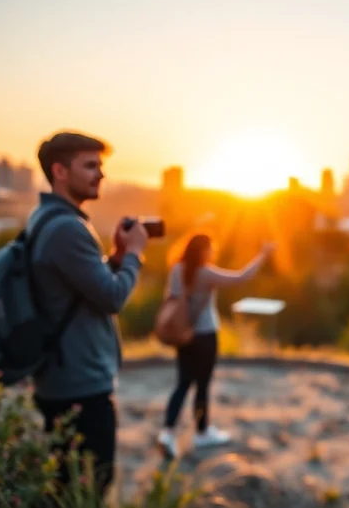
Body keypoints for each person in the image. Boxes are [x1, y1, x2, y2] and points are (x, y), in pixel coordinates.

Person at [27, 131, 148, 500]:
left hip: (63, 376)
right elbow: (112, 297)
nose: (101, 174)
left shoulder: (48, 218)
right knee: (87, 488)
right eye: (90, 165)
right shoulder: (67, 228)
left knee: (69, 484)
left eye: (101, 166)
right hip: (79, 385)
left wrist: (113, 257)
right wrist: (134, 256)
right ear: (60, 171)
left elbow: (82, 288)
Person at [157, 232, 273, 458]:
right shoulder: (205, 273)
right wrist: (263, 254)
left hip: (183, 335)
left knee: (182, 383)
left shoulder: (176, 270)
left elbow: (171, 298)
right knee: (202, 385)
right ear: (204, 251)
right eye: (211, 248)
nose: (213, 252)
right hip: (205, 335)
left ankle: (168, 433)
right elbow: (241, 277)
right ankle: (202, 433)